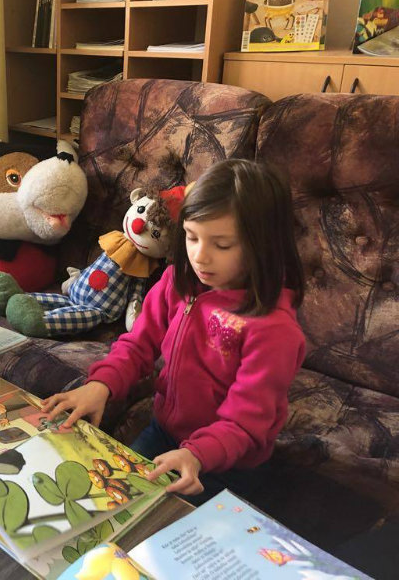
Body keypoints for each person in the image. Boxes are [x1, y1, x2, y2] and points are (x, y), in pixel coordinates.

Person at [41, 159, 306, 504]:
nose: (200, 257)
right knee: (106, 499)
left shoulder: (274, 329)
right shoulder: (176, 282)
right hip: (164, 432)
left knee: (153, 522)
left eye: (222, 245)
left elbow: (245, 423)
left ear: (263, 245)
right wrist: (101, 384)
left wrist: (197, 454)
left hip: (227, 462)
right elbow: (137, 344)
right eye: (192, 237)